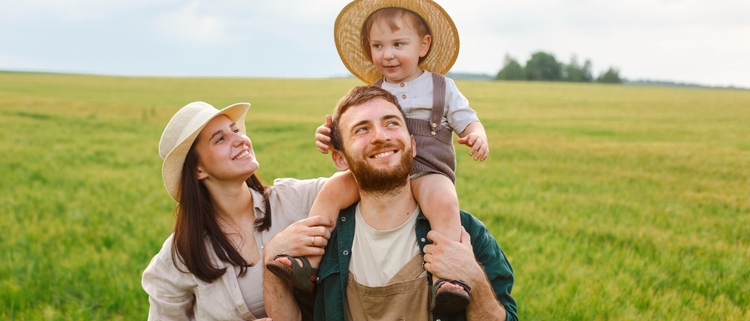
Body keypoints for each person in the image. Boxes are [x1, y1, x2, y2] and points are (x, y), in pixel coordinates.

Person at [268, 0, 489, 314]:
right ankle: (307, 260)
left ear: (423, 45)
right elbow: (345, 129)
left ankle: (447, 278)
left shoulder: (441, 87)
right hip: (377, 171)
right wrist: (325, 135)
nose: (387, 54)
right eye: (378, 46)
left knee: (443, 203)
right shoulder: (373, 89)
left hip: (427, 169)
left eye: (398, 44)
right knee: (332, 190)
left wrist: (477, 134)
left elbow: (468, 119)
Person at [264, 85, 517, 320]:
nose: (380, 136)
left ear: (413, 144)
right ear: (340, 159)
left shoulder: (465, 235)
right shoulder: (322, 243)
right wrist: (270, 261)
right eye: (362, 129)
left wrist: (474, 279)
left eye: (392, 123)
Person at [141, 101, 353, 320]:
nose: (240, 139)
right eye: (220, 139)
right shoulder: (182, 254)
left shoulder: (293, 199)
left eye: (235, 130)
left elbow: (371, 181)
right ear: (198, 169)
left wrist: (344, 143)